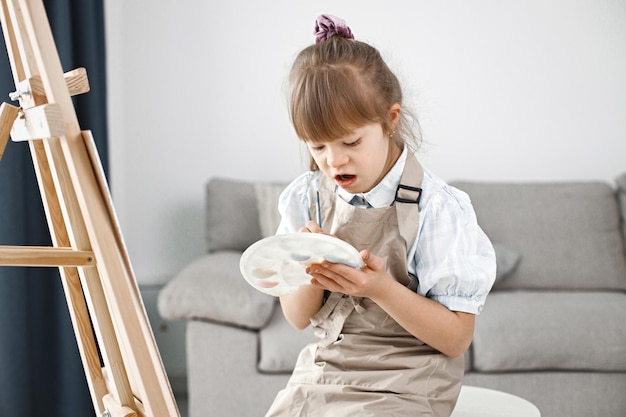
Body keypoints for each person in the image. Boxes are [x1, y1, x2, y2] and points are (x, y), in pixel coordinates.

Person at [265, 14, 496, 417]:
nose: (333, 160)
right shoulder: (306, 197)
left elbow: (456, 338)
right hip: (326, 375)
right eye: (317, 147)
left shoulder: (438, 208)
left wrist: (380, 288)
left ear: (390, 120)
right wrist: (310, 261)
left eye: (350, 141)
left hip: (409, 383)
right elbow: (298, 318)